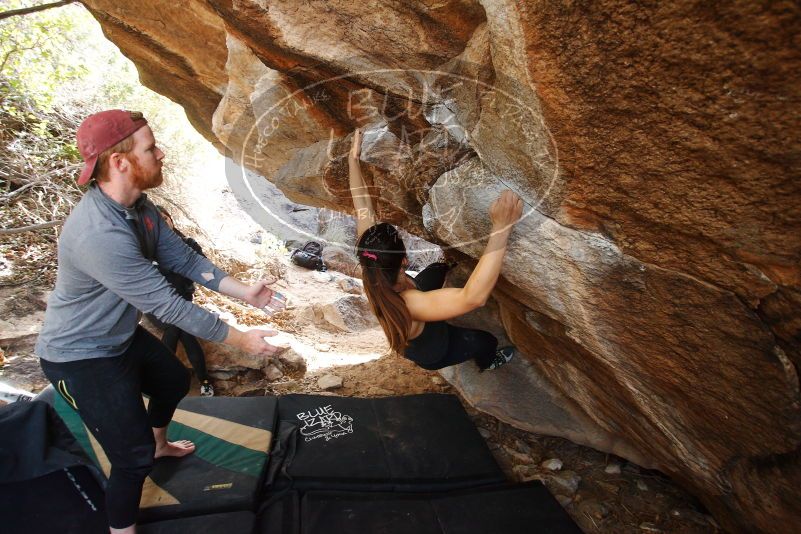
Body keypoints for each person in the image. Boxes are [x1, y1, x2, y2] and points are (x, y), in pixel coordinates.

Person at [34, 109, 284, 534]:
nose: (161, 153)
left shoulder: (140, 207)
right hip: (78, 357)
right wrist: (242, 339)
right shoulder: (98, 233)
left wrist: (245, 293)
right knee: (131, 459)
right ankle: (122, 529)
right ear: (120, 161)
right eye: (151, 148)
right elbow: (169, 307)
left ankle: (160, 443)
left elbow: (182, 258)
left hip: (118, 338)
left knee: (170, 380)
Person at [348, 128, 523, 371]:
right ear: (404, 262)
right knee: (486, 341)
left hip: (413, 310)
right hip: (434, 350)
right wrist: (502, 227)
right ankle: (488, 362)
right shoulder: (411, 303)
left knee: (438, 269)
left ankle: (446, 267)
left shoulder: (371, 263)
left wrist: (353, 160)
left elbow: (362, 206)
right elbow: (472, 297)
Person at [152, 206, 213, 397]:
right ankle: (205, 381)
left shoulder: (188, 244)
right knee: (178, 327)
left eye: (165, 217)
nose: (163, 222)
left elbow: (205, 269)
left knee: (179, 329)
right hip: (157, 304)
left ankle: (161, 381)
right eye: (158, 220)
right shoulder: (147, 249)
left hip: (182, 301)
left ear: (171, 219)